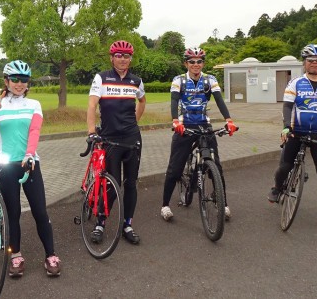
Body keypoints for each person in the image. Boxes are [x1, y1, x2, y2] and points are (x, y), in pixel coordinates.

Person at [0, 60, 61, 277]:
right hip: (6, 166)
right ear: (6, 81)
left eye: (23, 80)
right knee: (12, 214)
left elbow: (34, 131)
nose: (19, 84)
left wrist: (30, 154)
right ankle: (16, 256)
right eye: (15, 79)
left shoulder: (34, 104)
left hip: (29, 163)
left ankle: (51, 255)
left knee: (40, 211)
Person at [267, 44, 317, 231]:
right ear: (304, 63)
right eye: (310, 61)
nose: (314, 64)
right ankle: (277, 188)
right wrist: (286, 127)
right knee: (284, 166)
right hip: (297, 131)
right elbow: (287, 106)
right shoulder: (295, 83)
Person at [160, 47, 238, 222]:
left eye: (199, 61)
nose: (196, 64)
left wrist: (229, 120)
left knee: (216, 166)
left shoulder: (210, 80)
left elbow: (219, 100)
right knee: (175, 168)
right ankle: (165, 205)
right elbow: (174, 100)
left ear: (203, 63)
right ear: (186, 63)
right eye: (192, 61)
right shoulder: (178, 80)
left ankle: (222, 202)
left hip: (204, 125)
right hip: (184, 126)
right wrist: (175, 121)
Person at [86, 40, 146, 244]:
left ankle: (127, 224)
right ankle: (100, 222)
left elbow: (142, 101)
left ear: (131, 59)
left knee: (131, 184)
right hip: (110, 139)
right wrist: (92, 131)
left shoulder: (136, 81)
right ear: (112, 58)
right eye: (118, 55)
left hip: (132, 138)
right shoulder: (101, 78)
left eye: (126, 56)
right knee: (112, 184)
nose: (123, 59)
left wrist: (134, 123)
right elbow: (92, 105)